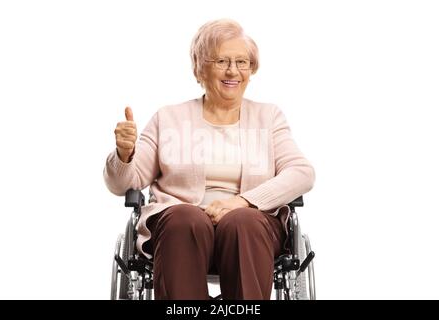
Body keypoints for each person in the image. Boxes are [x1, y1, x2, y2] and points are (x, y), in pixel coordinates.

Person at [104, 19, 315, 300]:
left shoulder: (269, 118)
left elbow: (302, 172)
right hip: (180, 229)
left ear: (252, 69)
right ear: (200, 67)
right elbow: (125, 183)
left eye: (242, 62)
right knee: (185, 218)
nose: (233, 71)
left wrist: (244, 201)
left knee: (243, 222)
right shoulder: (168, 118)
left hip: (251, 231)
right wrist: (124, 154)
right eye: (222, 61)